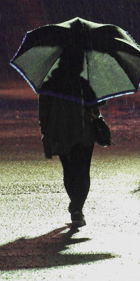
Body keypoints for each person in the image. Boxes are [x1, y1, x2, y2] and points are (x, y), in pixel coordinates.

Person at [38, 51, 107, 228]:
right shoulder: (83, 84)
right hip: (84, 132)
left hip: (61, 133)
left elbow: (43, 112)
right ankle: (77, 207)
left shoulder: (50, 84)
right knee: (83, 170)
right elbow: (97, 103)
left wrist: (46, 130)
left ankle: (75, 206)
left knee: (69, 169)